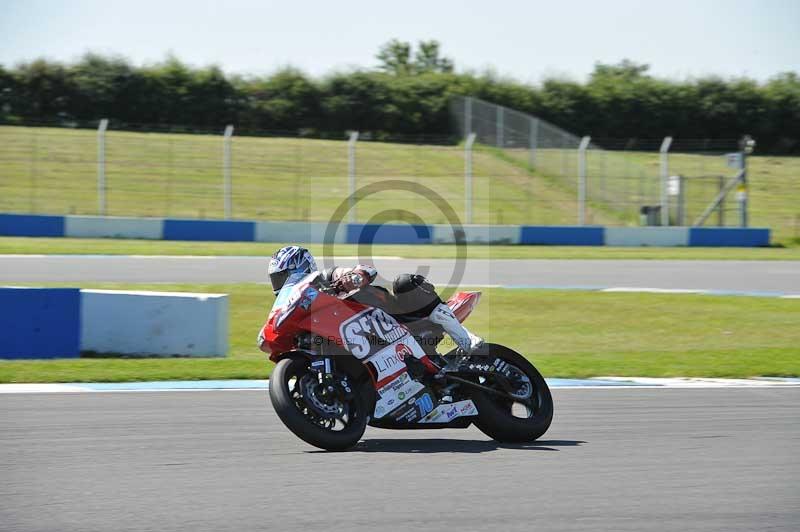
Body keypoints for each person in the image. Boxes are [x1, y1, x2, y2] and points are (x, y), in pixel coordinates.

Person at [267, 245, 483, 354]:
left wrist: (352, 278)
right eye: (275, 279)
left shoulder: (322, 278)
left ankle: (467, 340)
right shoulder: (296, 306)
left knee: (404, 282)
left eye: (281, 277)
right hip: (367, 342)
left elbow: (366, 270)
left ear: (299, 268)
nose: (279, 284)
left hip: (395, 318)